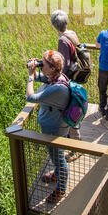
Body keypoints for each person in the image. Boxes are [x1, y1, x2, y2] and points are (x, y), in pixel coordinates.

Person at [26, 50, 70, 203]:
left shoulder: (58, 87)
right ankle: (58, 174)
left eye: (42, 64)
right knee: (55, 155)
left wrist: (30, 78)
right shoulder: (56, 77)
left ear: (52, 68)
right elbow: (39, 77)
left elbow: (31, 97)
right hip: (53, 125)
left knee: (58, 158)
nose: (40, 66)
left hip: (55, 128)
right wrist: (32, 70)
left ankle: (61, 188)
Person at [51, 10, 82, 162]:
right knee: (73, 108)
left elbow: (65, 64)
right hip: (76, 78)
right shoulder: (72, 33)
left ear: (54, 25)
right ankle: (73, 140)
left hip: (68, 80)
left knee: (70, 111)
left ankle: (76, 147)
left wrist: (58, 79)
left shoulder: (62, 40)